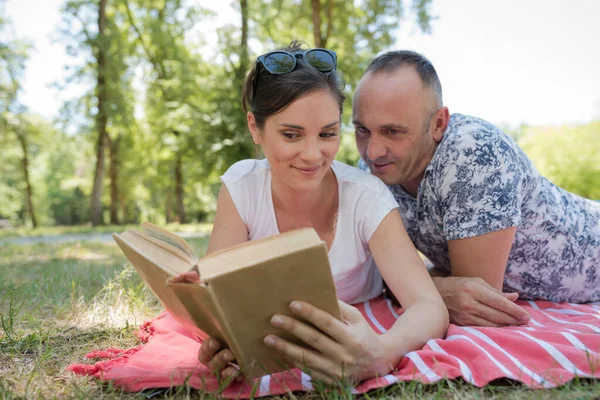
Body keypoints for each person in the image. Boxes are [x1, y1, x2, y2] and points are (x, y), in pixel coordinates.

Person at [189, 42, 448, 385]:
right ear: (255, 127)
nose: (313, 155)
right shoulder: (242, 186)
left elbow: (429, 306)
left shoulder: (366, 196)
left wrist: (383, 352)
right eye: (291, 135)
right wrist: (224, 342)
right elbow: (218, 295)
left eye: (327, 133)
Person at [352, 50, 600, 327]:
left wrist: (412, 284)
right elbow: (377, 278)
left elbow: (476, 301)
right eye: (362, 130)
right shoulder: (371, 176)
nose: (373, 152)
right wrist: (430, 287)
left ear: (438, 124)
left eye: (393, 132)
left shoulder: (474, 152)